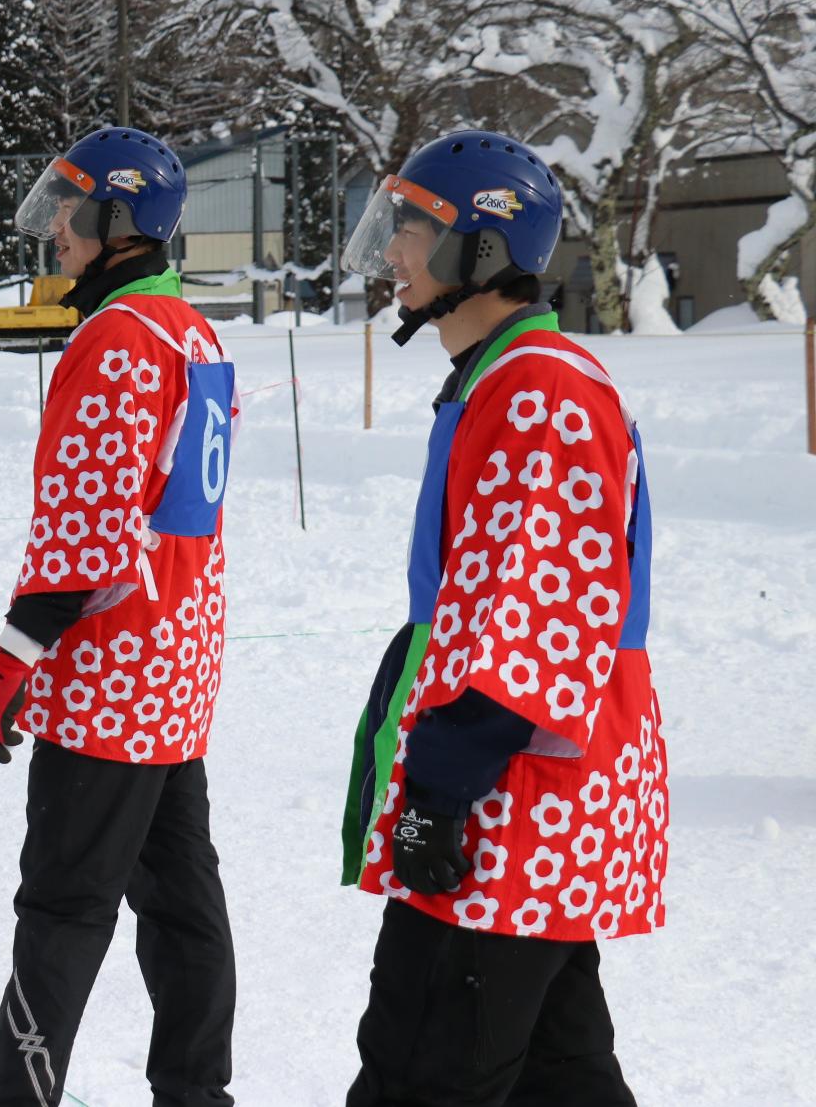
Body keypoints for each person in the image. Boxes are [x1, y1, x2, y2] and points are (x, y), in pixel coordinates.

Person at [336, 131, 666, 1107]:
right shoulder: (500, 380)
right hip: (519, 796)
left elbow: (531, 622)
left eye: (412, 226)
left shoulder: (537, 392)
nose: (390, 248)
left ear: (478, 249)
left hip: (510, 798)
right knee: (558, 1074)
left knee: (422, 1069)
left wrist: (437, 796)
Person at [0, 128, 238, 1107]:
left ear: (117, 223)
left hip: (111, 673)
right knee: (179, 902)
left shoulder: (117, 338)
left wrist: (8, 666)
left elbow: (86, 532)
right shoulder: (192, 331)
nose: (57, 233)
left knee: (63, 907)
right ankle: (196, 1093)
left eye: (70, 213)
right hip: (172, 666)